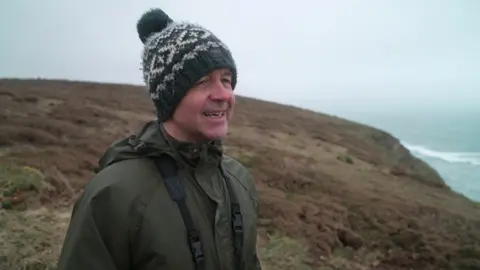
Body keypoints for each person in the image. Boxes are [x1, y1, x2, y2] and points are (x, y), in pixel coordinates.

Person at [56, 7, 262, 270]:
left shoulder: (239, 180)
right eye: (202, 81)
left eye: (226, 79)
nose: (223, 94)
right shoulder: (114, 195)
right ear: (169, 96)